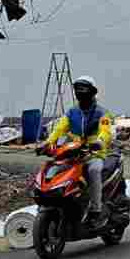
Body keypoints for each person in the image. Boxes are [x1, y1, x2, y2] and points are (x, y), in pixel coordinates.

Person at [45, 77, 115, 223]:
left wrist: (100, 142)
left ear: (93, 92)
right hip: (74, 154)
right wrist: (47, 143)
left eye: (83, 89)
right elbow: (59, 129)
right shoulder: (72, 112)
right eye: (77, 89)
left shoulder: (102, 113)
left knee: (94, 170)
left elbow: (106, 131)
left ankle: (96, 209)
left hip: (94, 153)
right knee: (56, 169)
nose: (80, 92)